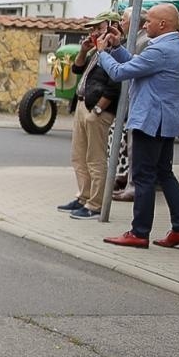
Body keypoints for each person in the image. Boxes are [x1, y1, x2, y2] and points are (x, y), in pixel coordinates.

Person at [96, 3, 179, 249]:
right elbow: (136, 64)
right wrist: (117, 47)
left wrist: (102, 53)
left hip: (150, 121)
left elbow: (120, 73)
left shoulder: (160, 50)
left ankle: (139, 232)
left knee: (143, 177)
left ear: (163, 24)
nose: (145, 24)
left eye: (149, 21)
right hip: (166, 121)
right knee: (165, 174)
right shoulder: (177, 47)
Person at [56, 16, 124, 220]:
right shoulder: (97, 50)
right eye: (91, 29)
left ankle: (95, 204)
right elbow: (77, 69)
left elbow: (115, 86)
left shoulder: (115, 53)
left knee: (95, 159)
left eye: (97, 28)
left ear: (112, 28)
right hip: (82, 105)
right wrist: (84, 50)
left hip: (96, 111)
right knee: (79, 156)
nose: (93, 32)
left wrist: (98, 110)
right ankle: (83, 197)